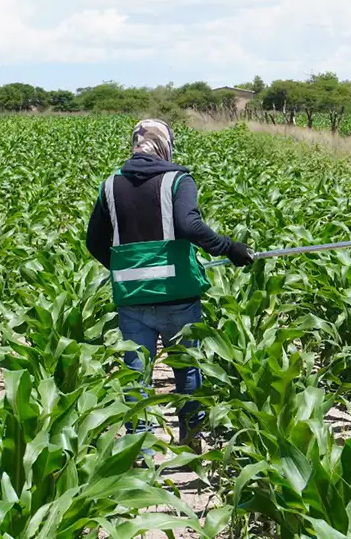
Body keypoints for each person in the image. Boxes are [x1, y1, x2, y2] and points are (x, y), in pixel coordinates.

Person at [85, 118, 254, 453]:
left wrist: (125, 267)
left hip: (132, 298)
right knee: (187, 368)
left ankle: (142, 453)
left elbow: (93, 241)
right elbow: (188, 225)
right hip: (178, 295)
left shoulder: (109, 185)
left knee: (136, 376)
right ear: (165, 144)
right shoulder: (178, 179)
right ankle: (191, 441)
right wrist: (229, 248)